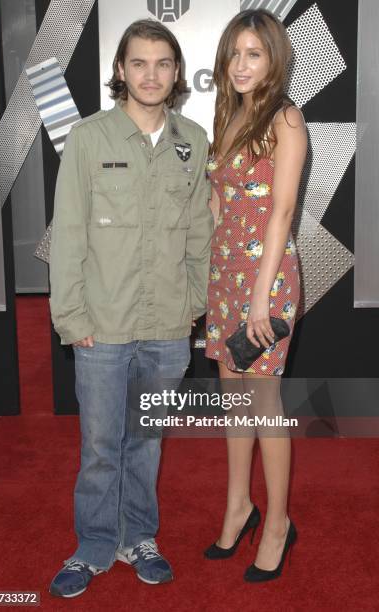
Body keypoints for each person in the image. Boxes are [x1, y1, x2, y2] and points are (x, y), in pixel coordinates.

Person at [48, 19, 213, 598]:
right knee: (99, 445)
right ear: (120, 70)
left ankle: (139, 537)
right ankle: (93, 545)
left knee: (147, 440)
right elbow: (68, 234)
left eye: (163, 64)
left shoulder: (193, 139)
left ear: (176, 73)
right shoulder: (89, 138)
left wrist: (193, 306)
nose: (151, 74)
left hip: (167, 325)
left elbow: (200, 232)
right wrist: (72, 318)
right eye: (138, 63)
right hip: (102, 325)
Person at [204, 9, 307, 582]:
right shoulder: (229, 116)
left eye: (253, 54)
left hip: (265, 281)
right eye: (233, 54)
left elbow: (282, 211)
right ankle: (240, 506)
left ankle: (278, 524)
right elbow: (220, 204)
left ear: (273, 60)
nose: (239, 65)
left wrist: (260, 298)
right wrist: (206, 278)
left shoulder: (285, 120)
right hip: (226, 277)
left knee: (265, 406)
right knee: (233, 401)